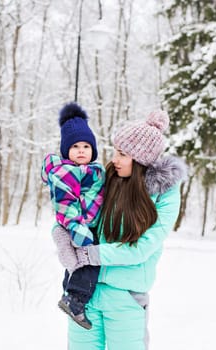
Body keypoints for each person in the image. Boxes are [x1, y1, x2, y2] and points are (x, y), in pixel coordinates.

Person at [53, 109, 187, 349]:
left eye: (122, 154)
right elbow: (72, 212)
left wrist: (91, 255)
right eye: (115, 151)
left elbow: (142, 248)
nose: (114, 158)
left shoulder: (164, 194)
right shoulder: (104, 178)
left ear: (141, 160)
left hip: (125, 297)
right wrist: (63, 236)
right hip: (85, 293)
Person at [41, 102, 105, 330]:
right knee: (90, 262)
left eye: (86, 146)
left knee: (77, 264)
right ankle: (75, 300)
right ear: (66, 150)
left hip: (89, 224)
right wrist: (79, 231)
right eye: (75, 146)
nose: (81, 150)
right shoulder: (65, 172)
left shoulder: (94, 170)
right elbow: (65, 204)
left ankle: (69, 294)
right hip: (78, 226)